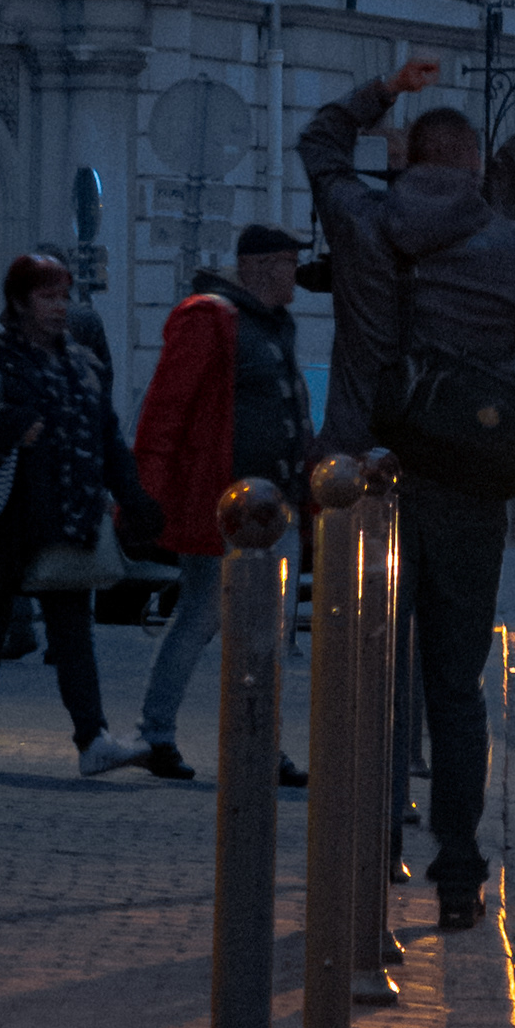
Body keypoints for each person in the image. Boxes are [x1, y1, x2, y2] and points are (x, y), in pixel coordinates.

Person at [301, 56, 515, 934]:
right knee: (455, 683)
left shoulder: (362, 223)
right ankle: (459, 868)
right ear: (474, 166)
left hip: (364, 476)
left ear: (407, 160)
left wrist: (383, 90)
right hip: (469, 483)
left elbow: (319, 141)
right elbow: (513, 349)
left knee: (362, 673)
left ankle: (364, 849)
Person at [0, 252, 146, 779]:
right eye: (48, 297)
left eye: (64, 296)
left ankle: (92, 739)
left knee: (73, 631)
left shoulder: (81, 363)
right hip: (7, 514)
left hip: (68, 512)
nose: (59, 307)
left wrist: (135, 498)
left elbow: (107, 436)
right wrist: (7, 420)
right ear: (19, 302)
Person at [128, 226, 316, 781]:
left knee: (273, 631)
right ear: (258, 268)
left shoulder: (275, 324)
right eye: (287, 263)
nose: (296, 275)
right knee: (200, 617)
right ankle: (155, 733)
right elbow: (166, 409)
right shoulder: (209, 318)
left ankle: (260, 740)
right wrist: (145, 496)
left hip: (276, 505)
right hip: (225, 505)